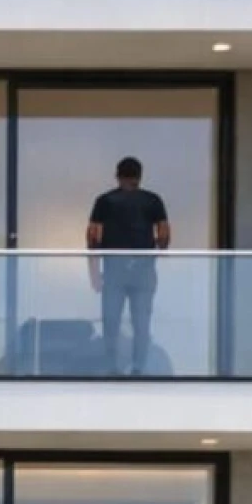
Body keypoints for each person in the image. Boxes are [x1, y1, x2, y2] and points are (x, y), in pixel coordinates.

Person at [87, 157, 171, 376]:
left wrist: (94, 275)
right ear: (139, 176)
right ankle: (138, 369)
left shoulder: (105, 201)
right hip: (143, 272)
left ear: (117, 175)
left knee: (111, 322)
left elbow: (93, 238)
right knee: (141, 322)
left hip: (114, 271)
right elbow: (164, 236)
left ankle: (111, 368)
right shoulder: (153, 201)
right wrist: (155, 249)